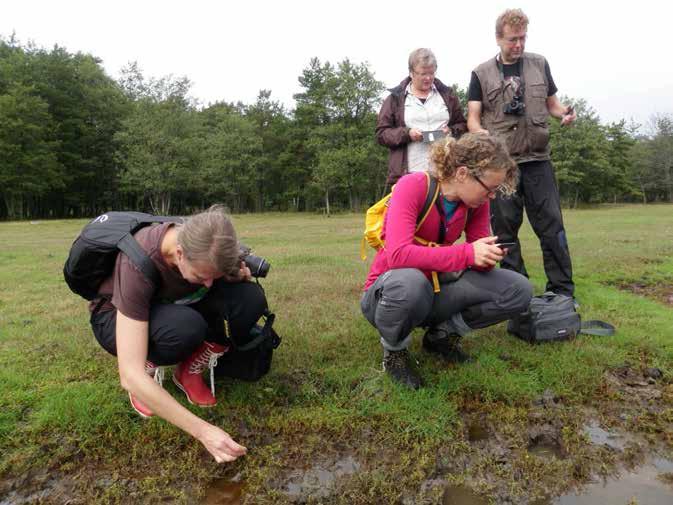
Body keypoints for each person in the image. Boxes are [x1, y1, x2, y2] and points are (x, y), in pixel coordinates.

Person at [89, 205, 268, 463]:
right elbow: (129, 375)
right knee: (185, 328)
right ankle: (149, 365)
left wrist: (232, 277)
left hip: (170, 303)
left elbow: (213, 284)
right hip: (114, 317)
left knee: (249, 299)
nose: (208, 283)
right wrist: (203, 431)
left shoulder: (200, 248)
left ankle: (187, 371)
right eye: (201, 275)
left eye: (212, 276)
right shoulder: (136, 262)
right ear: (180, 253)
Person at [361, 133, 533, 389]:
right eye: (490, 188)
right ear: (462, 174)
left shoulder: (475, 204)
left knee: (519, 289)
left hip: (433, 289)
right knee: (409, 281)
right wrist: (466, 253)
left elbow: (474, 261)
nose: (492, 197)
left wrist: (487, 256)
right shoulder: (414, 185)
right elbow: (397, 255)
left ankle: (442, 336)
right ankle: (395, 352)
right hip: (388, 294)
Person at [467, 8, 577, 299]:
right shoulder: (481, 73)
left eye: (523, 38)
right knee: (505, 232)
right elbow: (473, 117)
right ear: (498, 38)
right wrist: (479, 134)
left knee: (552, 228)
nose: (518, 44)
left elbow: (553, 104)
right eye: (513, 39)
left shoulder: (540, 64)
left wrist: (564, 113)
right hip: (502, 167)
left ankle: (563, 291)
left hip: (539, 160)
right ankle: (518, 290)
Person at [376, 48, 467, 187]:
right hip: (409, 174)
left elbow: (462, 125)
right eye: (423, 74)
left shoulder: (448, 95)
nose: (428, 78)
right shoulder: (394, 99)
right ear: (411, 73)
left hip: (446, 172)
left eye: (432, 73)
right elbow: (381, 134)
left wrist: (451, 131)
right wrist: (407, 134)